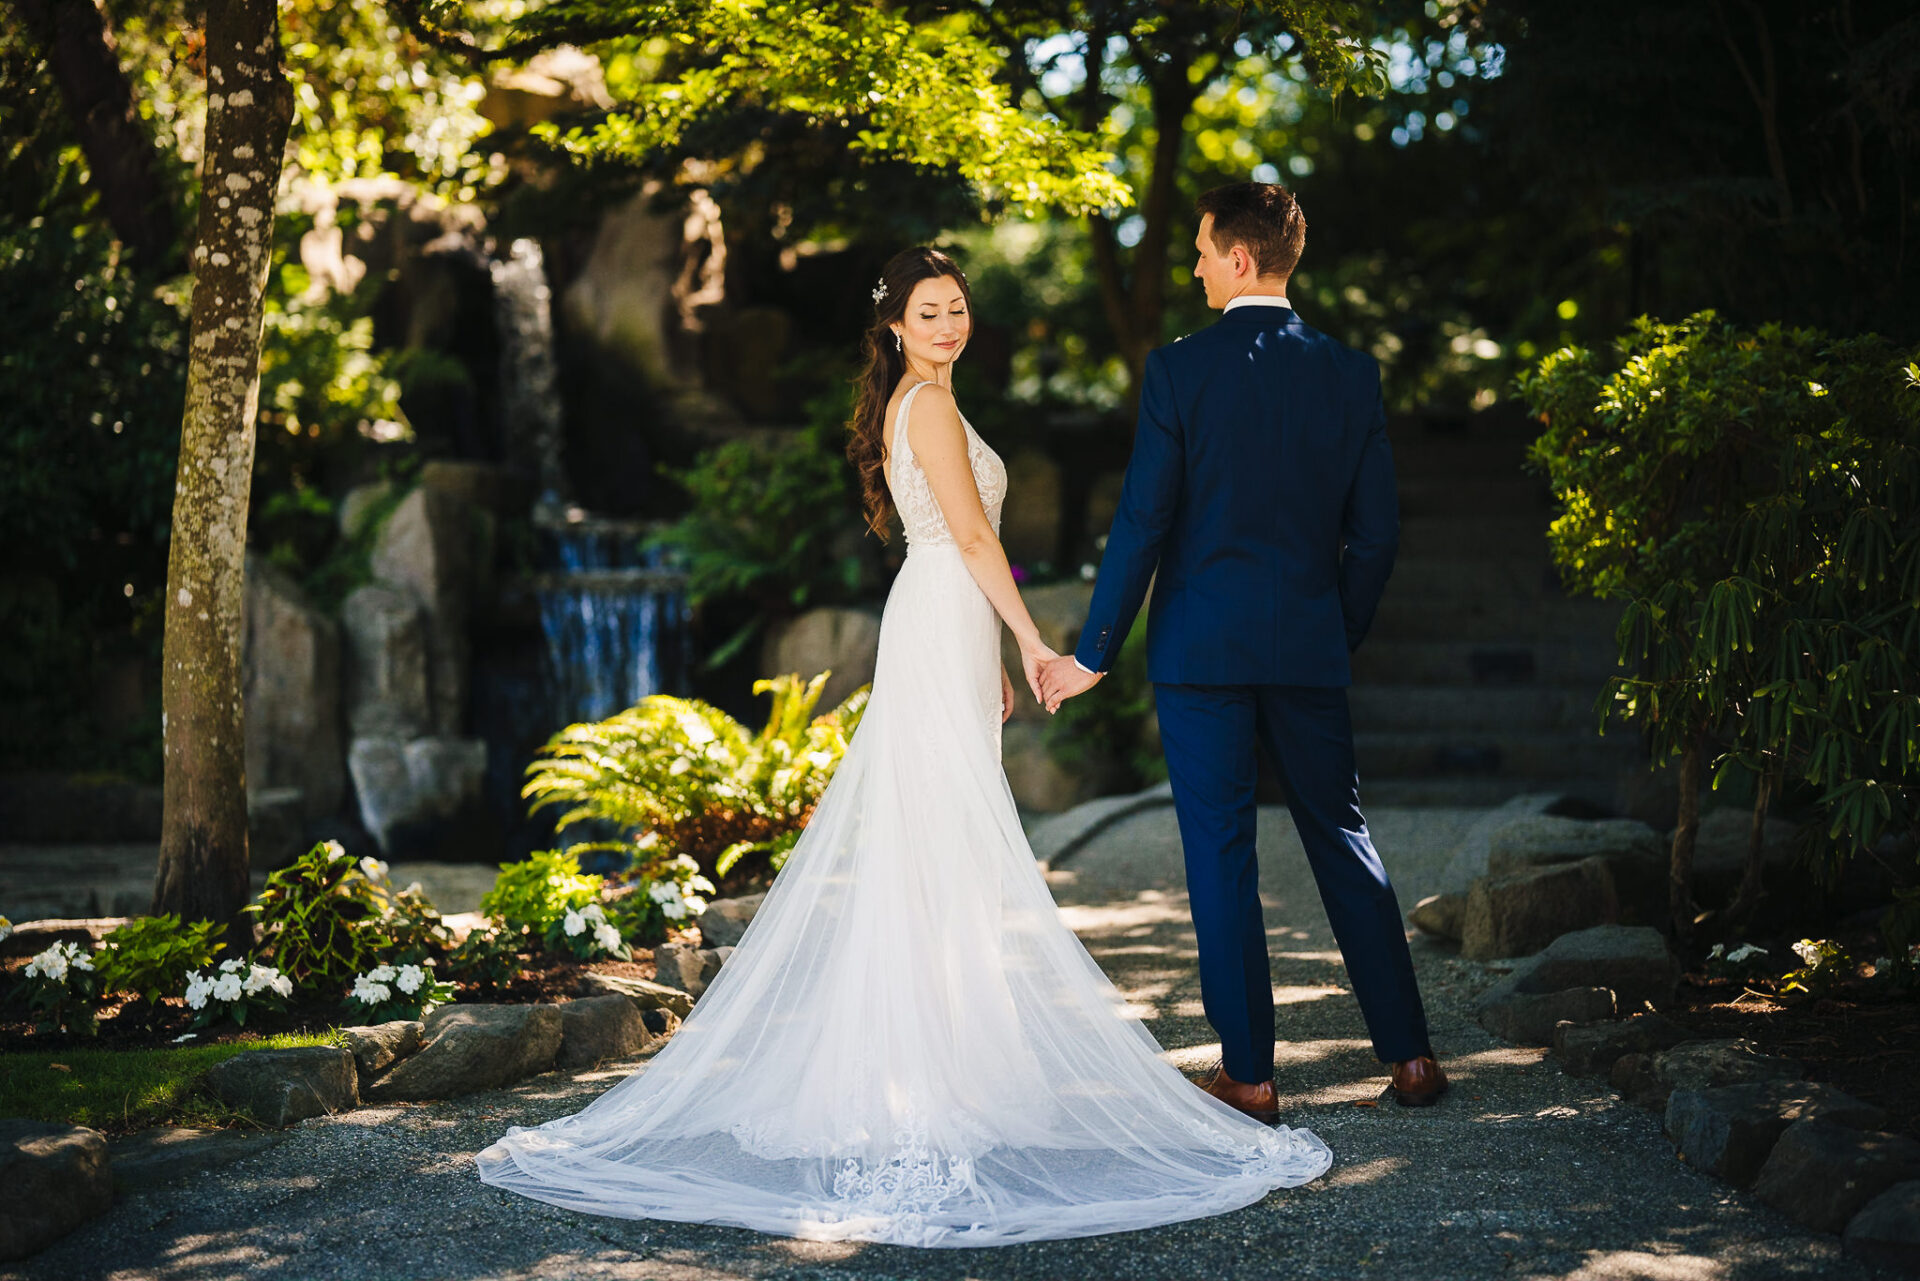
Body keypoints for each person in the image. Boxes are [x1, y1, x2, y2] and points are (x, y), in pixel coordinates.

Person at [474, 245, 1332, 1248]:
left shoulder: (932, 401)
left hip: (946, 623)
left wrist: (993, 657)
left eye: (957, 307)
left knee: (940, 856)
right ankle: (916, 1082)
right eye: (929, 312)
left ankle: (946, 1065)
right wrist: (1032, 637)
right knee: (938, 852)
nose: (948, 323)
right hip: (942, 614)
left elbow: (964, 549)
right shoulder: (924, 406)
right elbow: (971, 541)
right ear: (894, 326)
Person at [1037, 182, 1447, 1117]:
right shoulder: (1349, 372)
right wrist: (1331, 630)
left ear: (1238, 259)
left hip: (1199, 655)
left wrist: (1093, 653)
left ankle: (1252, 1076)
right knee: (1344, 839)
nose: (1190, 265)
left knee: (1221, 855)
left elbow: (1144, 519)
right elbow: (1375, 536)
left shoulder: (1180, 371)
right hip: (1307, 646)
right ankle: (1413, 1058)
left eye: (1198, 249)